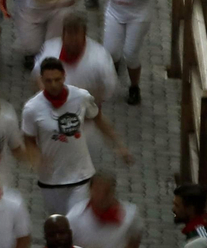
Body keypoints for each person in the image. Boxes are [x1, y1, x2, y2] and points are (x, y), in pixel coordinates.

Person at [22, 57, 132, 216]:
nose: (53, 85)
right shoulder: (32, 108)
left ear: (64, 76)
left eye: (57, 79)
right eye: (48, 81)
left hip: (81, 175)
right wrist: (36, 159)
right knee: (60, 223)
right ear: (42, 80)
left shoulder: (81, 97)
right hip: (51, 179)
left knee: (75, 220)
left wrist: (119, 145)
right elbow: (29, 140)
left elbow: (99, 120)